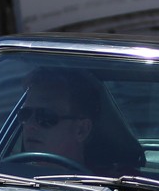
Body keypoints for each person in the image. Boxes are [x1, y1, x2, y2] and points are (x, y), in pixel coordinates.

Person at [14, 66, 144, 175]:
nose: (30, 125)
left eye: (45, 116)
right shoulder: (7, 176)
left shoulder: (119, 185)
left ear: (81, 130)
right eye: (25, 114)